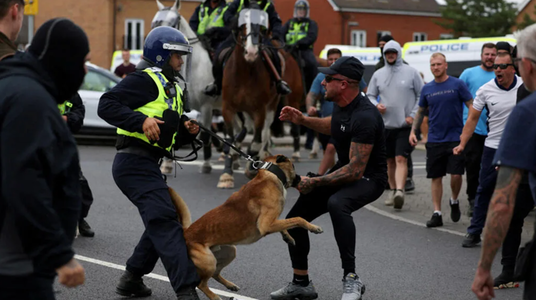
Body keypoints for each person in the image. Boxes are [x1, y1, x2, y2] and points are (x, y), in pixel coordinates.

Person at [98, 26, 201, 300]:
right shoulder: (143, 80)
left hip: (147, 165)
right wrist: (139, 121)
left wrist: (186, 131)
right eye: (177, 56)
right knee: (164, 220)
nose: (181, 62)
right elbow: (106, 104)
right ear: (161, 56)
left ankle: (132, 279)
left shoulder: (173, 90)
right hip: (132, 164)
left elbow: (168, 139)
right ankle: (187, 290)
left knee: (165, 218)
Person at [272, 56, 387, 300]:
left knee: (338, 203)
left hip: (369, 178)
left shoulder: (366, 116)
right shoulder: (342, 105)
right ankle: (301, 283)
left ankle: (351, 279)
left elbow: (355, 171)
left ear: (343, 84)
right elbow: (334, 126)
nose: (322, 83)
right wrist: (303, 119)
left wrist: (314, 181)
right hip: (345, 170)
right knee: (294, 220)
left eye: (328, 79)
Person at [0, 17, 89, 299]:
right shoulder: (31, 101)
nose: (85, 70)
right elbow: (24, 181)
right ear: (64, 60)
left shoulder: (16, 87)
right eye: (82, 61)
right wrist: (59, 254)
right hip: (17, 267)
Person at [472, 23, 536, 300]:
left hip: (519, 173)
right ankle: (508, 269)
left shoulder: (527, 109)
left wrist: (483, 268)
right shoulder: (523, 97)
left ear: (525, 65)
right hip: (523, 172)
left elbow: (501, 202)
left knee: (508, 210)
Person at [453, 53, 522, 248]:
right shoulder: (485, 90)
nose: (498, 70)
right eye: (496, 67)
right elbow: (472, 119)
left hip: (518, 148)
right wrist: (462, 143)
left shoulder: (525, 86)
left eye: (502, 66)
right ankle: (474, 231)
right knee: (484, 190)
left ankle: (510, 231)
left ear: (513, 68)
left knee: (518, 192)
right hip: (493, 148)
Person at [410, 53, 472, 228]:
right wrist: (413, 131)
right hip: (435, 139)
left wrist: (470, 128)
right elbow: (420, 111)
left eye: (438, 64)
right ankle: (437, 213)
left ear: (445, 65)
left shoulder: (457, 84)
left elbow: (471, 105)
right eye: (432, 65)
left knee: (456, 174)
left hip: (456, 138)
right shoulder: (427, 88)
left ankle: (454, 200)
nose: (435, 67)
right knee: (435, 176)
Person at [367, 40, 423, 209]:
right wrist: (376, 105)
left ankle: (400, 190)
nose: (390, 55)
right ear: (384, 55)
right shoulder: (378, 74)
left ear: (398, 53)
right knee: (389, 161)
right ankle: (392, 190)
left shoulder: (411, 72)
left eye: (393, 52)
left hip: (405, 126)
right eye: (387, 53)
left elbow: (422, 96)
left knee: (401, 158)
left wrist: (412, 116)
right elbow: (369, 95)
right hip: (385, 126)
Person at [203, 0, 291, 96]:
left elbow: (276, 21)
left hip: (260, 36)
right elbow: (227, 14)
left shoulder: (268, 5)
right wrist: (235, 21)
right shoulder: (238, 2)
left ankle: (278, 83)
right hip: (239, 36)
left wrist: (276, 33)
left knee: (275, 55)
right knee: (220, 52)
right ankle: (217, 84)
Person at [306, 48, 367, 175]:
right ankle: (335, 176)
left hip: (344, 121)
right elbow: (311, 95)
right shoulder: (320, 77)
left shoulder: (350, 74)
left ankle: (318, 179)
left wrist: (368, 106)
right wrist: (310, 107)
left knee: (330, 148)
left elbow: (366, 92)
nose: (333, 62)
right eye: (330, 59)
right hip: (325, 121)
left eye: (336, 59)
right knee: (330, 154)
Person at [458, 43, 497, 217]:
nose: (490, 57)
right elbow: (456, 97)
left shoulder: (500, 75)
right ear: (481, 55)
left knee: (491, 168)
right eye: (487, 54)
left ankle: (490, 199)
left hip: (495, 131)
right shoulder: (468, 73)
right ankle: (473, 200)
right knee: (473, 167)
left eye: (493, 54)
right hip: (473, 129)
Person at [373, 34, 415, 192]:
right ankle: (391, 185)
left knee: (402, 154)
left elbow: (414, 93)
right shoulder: (379, 67)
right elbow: (373, 92)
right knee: (389, 157)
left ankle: (406, 180)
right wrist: (377, 104)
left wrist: (412, 113)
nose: (383, 49)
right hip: (386, 119)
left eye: (386, 46)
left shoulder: (406, 68)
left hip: (403, 119)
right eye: (381, 46)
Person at [58, 93, 96, 238]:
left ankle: (79, 219)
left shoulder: (70, 90)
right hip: (37, 145)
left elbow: (79, 114)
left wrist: (66, 119)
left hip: (63, 146)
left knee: (81, 186)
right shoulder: (36, 86)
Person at [282, 0, 318, 92]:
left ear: (307, 11)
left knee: (312, 64)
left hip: (304, 51)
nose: (301, 11)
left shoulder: (311, 23)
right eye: (299, 9)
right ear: (295, 10)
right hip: (288, 49)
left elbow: (311, 37)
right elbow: (281, 34)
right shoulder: (289, 23)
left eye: (303, 9)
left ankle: (311, 89)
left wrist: (299, 43)